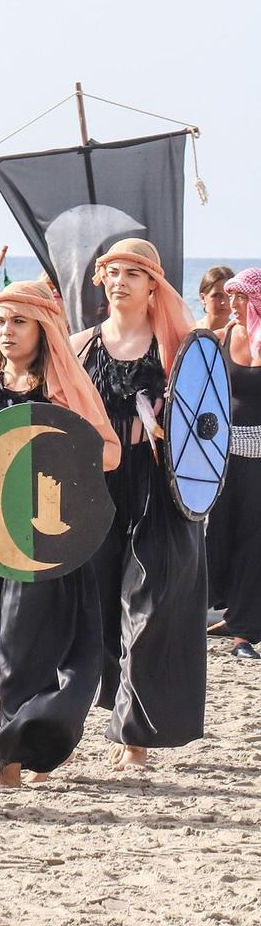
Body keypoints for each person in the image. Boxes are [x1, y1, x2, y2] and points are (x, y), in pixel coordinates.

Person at [0, 282, 119, 786]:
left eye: (19, 322)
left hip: (43, 537)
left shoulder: (64, 386)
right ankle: (39, 742)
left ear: (43, 328)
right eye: (2, 321)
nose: (7, 332)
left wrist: (51, 452)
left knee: (19, 652)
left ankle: (6, 759)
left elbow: (111, 453)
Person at [74, 238, 207, 769]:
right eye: (113, 270)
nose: (121, 279)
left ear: (155, 283)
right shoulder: (81, 346)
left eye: (135, 271)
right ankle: (117, 710)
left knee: (149, 607)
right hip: (98, 489)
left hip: (161, 489)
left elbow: (205, 422)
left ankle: (136, 739)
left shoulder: (180, 347)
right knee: (104, 606)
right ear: (102, 280)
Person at [209, 267, 261, 660]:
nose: (234, 304)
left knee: (252, 542)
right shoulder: (223, 338)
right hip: (225, 456)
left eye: (242, 297)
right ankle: (230, 613)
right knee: (218, 538)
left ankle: (243, 632)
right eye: (233, 297)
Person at [197, 265, 234, 333]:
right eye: (217, 295)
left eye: (230, 296)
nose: (224, 302)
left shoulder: (242, 336)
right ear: (203, 298)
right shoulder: (189, 333)